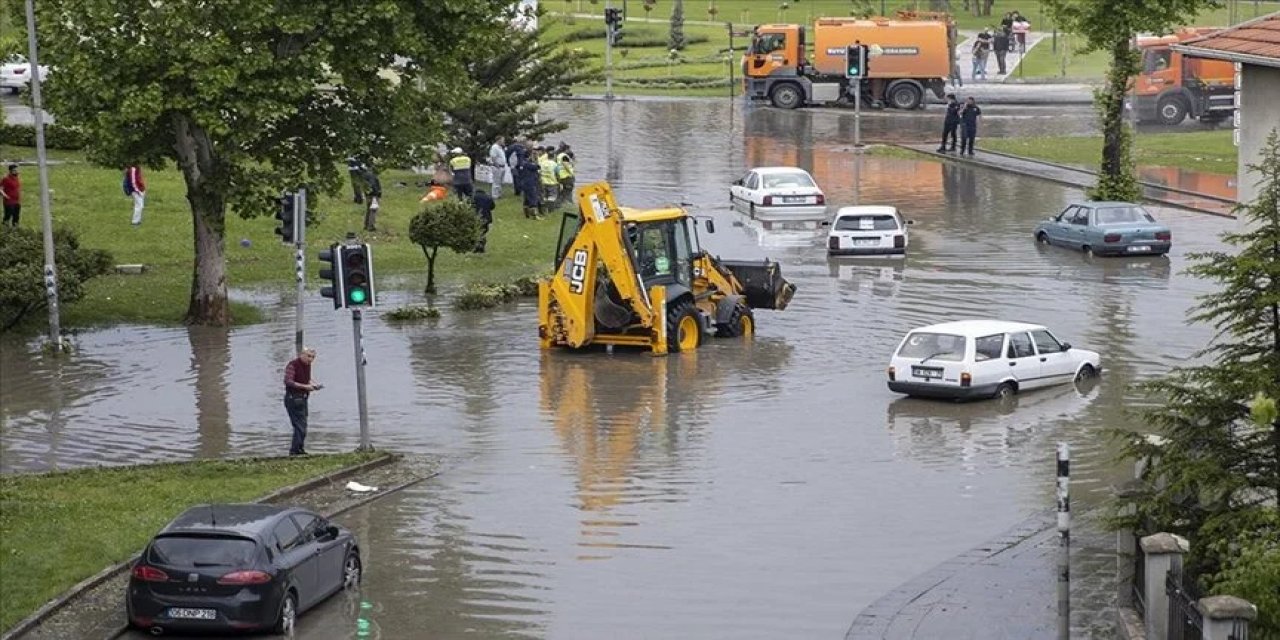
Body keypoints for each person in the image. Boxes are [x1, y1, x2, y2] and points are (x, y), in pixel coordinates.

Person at [283, 347, 322, 456]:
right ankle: (295, 451)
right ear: (302, 354)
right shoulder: (293, 365)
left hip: (303, 398)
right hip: (293, 398)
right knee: (299, 426)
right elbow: (288, 381)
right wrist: (305, 386)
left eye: (313, 357)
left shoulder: (307, 366)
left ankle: (299, 449)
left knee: (303, 425)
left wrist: (313, 384)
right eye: (308, 356)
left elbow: (306, 379)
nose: (310, 359)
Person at [517, 149, 542, 219]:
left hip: (523, 183)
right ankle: (534, 215)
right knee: (533, 199)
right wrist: (535, 159)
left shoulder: (521, 163)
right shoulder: (529, 164)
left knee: (526, 199)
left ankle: (526, 214)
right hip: (530, 183)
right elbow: (538, 166)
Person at [537, 147, 560, 214]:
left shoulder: (542, 163)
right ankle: (550, 210)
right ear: (554, 157)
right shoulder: (555, 164)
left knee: (544, 196)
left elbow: (539, 171)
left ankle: (543, 209)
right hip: (552, 182)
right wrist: (559, 181)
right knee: (552, 197)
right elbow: (558, 174)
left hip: (543, 182)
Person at [362, 165, 382, 232]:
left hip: (367, 195)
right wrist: (377, 193)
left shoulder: (364, 175)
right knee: (373, 211)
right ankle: (371, 226)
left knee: (368, 210)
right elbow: (372, 184)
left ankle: (366, 225)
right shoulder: (372, 175)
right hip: (374, 195)